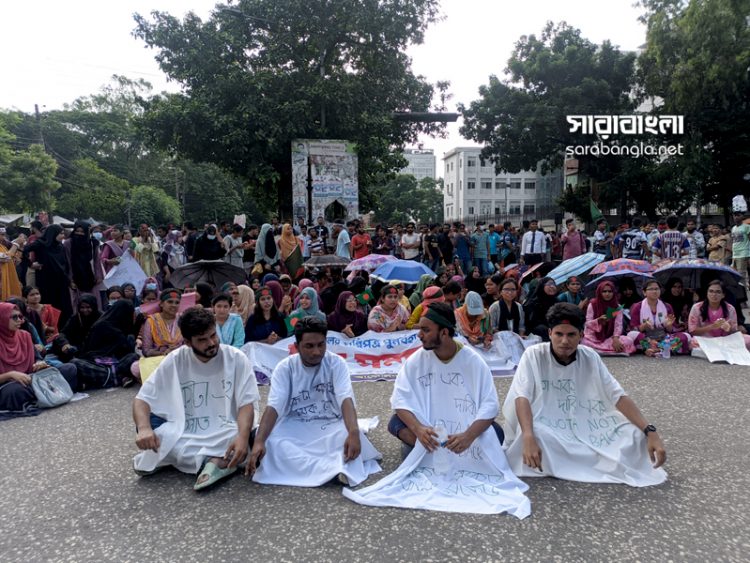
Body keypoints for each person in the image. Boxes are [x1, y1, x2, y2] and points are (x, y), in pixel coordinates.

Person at [344, 302, 531, 517]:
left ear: (443, 332)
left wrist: (468, 436)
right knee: (395, 423)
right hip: (428, 432)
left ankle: (428, 452)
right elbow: (400, 401)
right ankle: (424, 447)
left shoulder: (474, 362)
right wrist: (419, 429)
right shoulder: (416, 361)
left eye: (425, 330)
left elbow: (489, 406)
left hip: (461, 435)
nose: (419, 335)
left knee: (495, 433)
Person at [502, 302, 667, 487]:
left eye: (571, 335)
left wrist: (650, 431)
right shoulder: (533, 355)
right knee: (538, 436)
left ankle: (579, 461)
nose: (565, 341)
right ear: (549, 333)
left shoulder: (590, 356)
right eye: (559, 334)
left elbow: (617, 395)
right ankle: (589, 462)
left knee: (635, 436)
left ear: (581, 335)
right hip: (546, 423)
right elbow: (521, 396)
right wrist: (528, 435)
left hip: (588, 423)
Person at [132, 307, 260, 490]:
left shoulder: (236, 358)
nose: (211, 343)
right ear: (187, 342)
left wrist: (242, 436)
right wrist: (144, 429)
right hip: (186, 429)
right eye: (202, 340)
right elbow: (142, 400)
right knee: (156, 433)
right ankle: (214, 462)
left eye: (213, 335)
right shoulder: (175, 360)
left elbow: (246, 404)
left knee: (249, 437)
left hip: (226, 428)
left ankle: (205, 461)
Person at [248, 317, 381, 487]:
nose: (317, 352)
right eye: (309, 346)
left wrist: (353, 432)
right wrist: (259, 441)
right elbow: (274, 406)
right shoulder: (284, 368)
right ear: (296, 347)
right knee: (271, 441)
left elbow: (345, 399)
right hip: (295, 426)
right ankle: (333, 470)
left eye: (321, 345)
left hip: (331, 425)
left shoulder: (336, 363)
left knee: (347, 437)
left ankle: (319, 469)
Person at [0, 302, 78, 418]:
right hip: (10, 384)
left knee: (69, 369)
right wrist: (10, 374)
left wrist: (40, 363)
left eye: (20, 316)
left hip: (32, 379)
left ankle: (42, 394)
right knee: (14, 391)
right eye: (14, 317)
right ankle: (48, 393)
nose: (19, 320)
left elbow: (37, 358)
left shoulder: (24, 335)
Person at [21, 225, 73, 326]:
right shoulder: (40, 244)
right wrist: (31, 264)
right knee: (49, 305)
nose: (63, 236)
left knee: (63, 307)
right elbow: (24, 251)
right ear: (53, 234)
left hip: (61, 282)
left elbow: (65, 264)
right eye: (60, 233)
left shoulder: (60, 246)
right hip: (46, 281)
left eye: (63, 233)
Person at [80, 300, 139, 387]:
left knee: (133, 357)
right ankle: (118, 376)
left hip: (117, 362)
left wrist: (137, 323)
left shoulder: (121, 325)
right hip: (99, 362)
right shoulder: (102, 325)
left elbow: (125, 349)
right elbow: (90, 352)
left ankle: (115, 376)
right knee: (77, 363)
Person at [628, 280, 690, 356]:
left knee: (686, 336)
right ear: (644, 292)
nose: (654, 291)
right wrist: (644, 326)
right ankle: (661, 349)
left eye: (657, 289)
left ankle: (655, 349)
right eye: (651, 289)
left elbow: (672, 329)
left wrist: (669, 326)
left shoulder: (667, 306)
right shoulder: (638, 307)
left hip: (664, 338)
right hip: (647, 338)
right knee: (631, 335)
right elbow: (633, 328)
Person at [688, 280, 750, 350]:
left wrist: (728, 328)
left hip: (725, 340)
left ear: (723, 295)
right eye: (711, 291)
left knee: (748, 339)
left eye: (718, 292)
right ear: (707, 293)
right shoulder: (697, 307)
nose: (714, 294)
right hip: (706, 339)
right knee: (694, 342)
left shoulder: (730, 308)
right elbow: (692, 331)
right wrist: (712, 327)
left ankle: (717, 349)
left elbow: (734, 331)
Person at [582, 281, 636, 355]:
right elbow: (587, 323)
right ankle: (607, 350)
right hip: (593, 338)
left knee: (628, 341)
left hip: (610, 338)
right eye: (604, 291)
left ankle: (600, 350)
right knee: (584, 342)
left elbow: (618, 325)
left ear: (613, 293)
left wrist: (616, 338)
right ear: (599, 292)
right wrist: (598, 321)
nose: (607, 294)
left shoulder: (617, 307)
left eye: (610, 291)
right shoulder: (593, 304)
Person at [140, 289, 184, 359]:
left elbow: (189, 345)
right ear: (161, 304)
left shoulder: (183, 319)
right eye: (170, 302)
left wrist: (175, 351)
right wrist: (164, 353)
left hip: (181, 357)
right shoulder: (151, 321)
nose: (174, 305)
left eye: (177, 303)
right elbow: (146, 350)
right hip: (158, 359)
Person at [523, 277, 559, 341]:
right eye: (549, 284)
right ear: (542, 286)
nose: (552, 286)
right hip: (537, 331)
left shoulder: (557, 302)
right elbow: (532, 322)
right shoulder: (534, 302)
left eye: (553, 284)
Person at [0, 227, 22, 300]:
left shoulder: (2, 246)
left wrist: (20, 248)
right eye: (2, 234)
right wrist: (16, 244)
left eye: (4, 235)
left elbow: (12, 262)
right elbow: (5, 258)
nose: (4, 237)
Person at [731, 212, 750, 295]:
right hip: (735, 255)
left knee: (741, 277)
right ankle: (738, 296)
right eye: (735, 215)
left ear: (743, 216)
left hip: (743, 254)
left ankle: (743, 299)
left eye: (738, 215)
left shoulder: (747, 227)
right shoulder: (733, 228)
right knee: (734, 277)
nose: (736, 217)